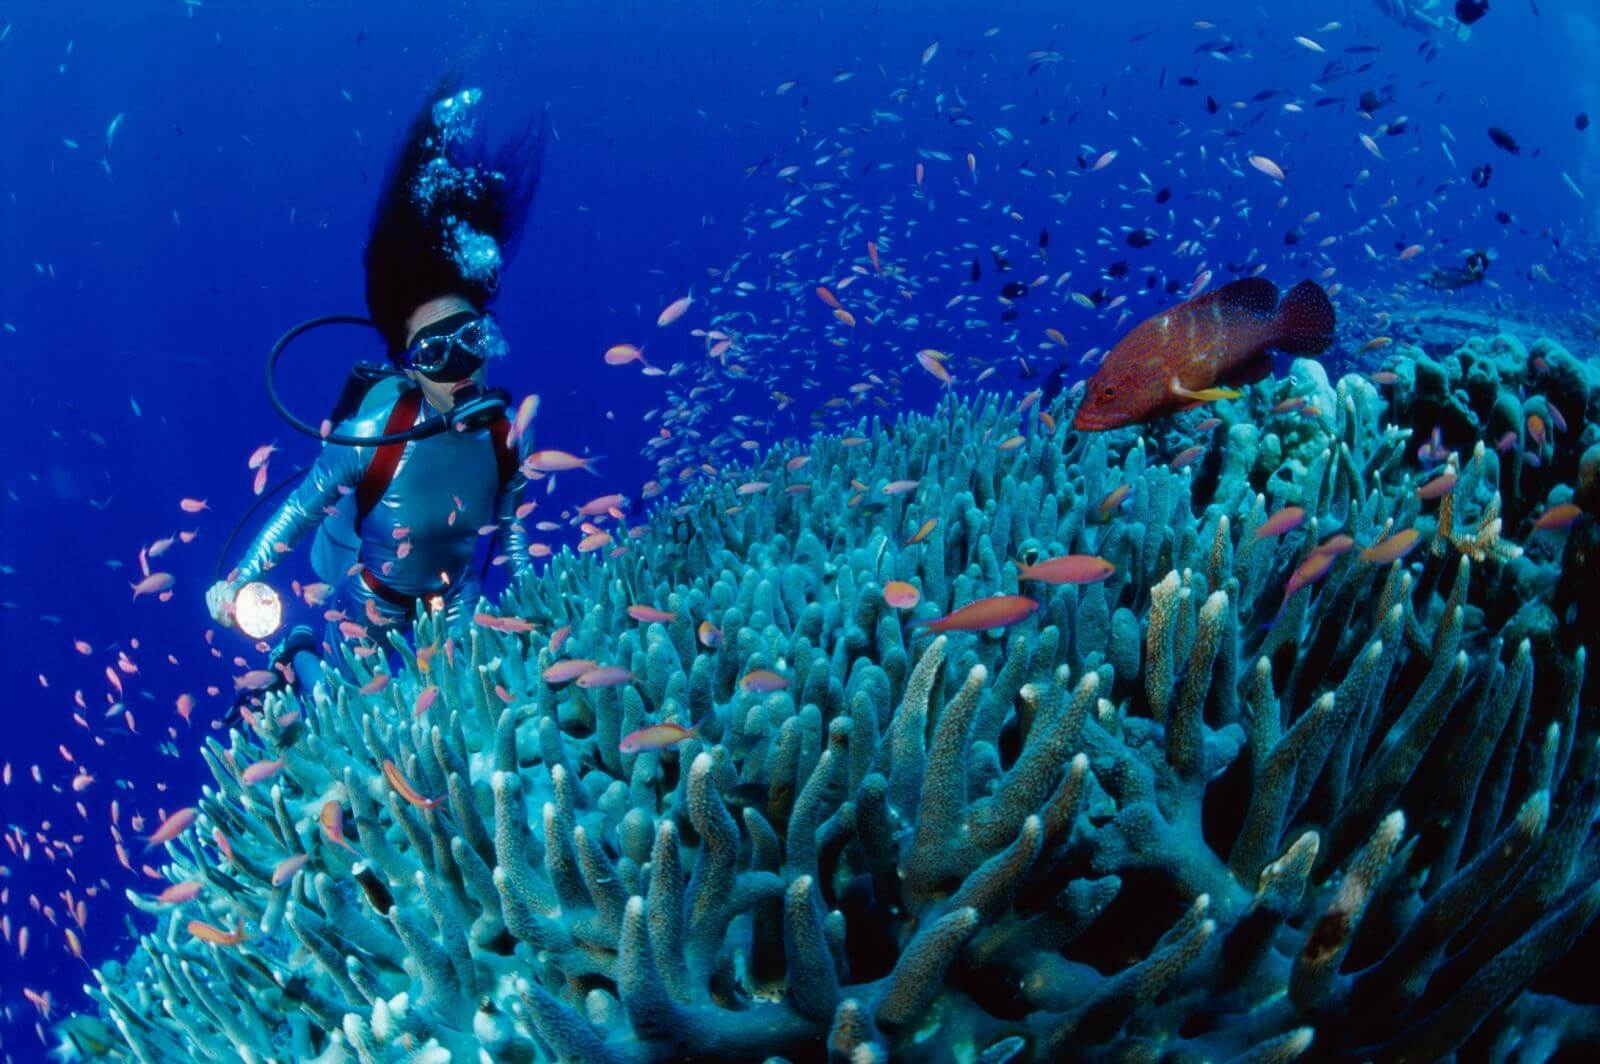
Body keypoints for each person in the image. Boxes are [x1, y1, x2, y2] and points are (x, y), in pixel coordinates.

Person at [206, 84, 543, 698]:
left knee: (462, 703)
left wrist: (533, 601)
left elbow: (510, 526)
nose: (459, 367)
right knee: (338, 701)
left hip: (459, 601)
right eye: (434, 353)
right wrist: (236, 582)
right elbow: (297, 512)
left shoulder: (506, 437)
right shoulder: (371, 436)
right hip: (370, 602)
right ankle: (299, 650)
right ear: (409, 365)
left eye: (471, 339)